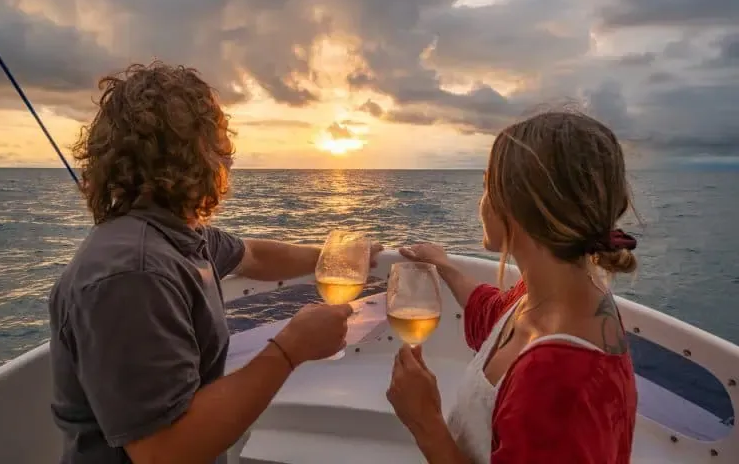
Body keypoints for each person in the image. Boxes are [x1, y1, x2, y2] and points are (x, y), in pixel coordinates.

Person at [48, 62, 382, 464]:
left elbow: (253, 254)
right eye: (221, 142)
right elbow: (163, 452)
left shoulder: (177, 236)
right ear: (191, 153)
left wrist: (333, 257)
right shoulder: (134, 274)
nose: (230, 158)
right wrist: (291, 349)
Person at [386, 111, 638, 463]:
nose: (481, 201)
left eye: (488, 186)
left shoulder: (559, 378)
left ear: (520, 207)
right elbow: (494, 315)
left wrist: (424, 421)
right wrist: (444, 266)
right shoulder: (552, 293)